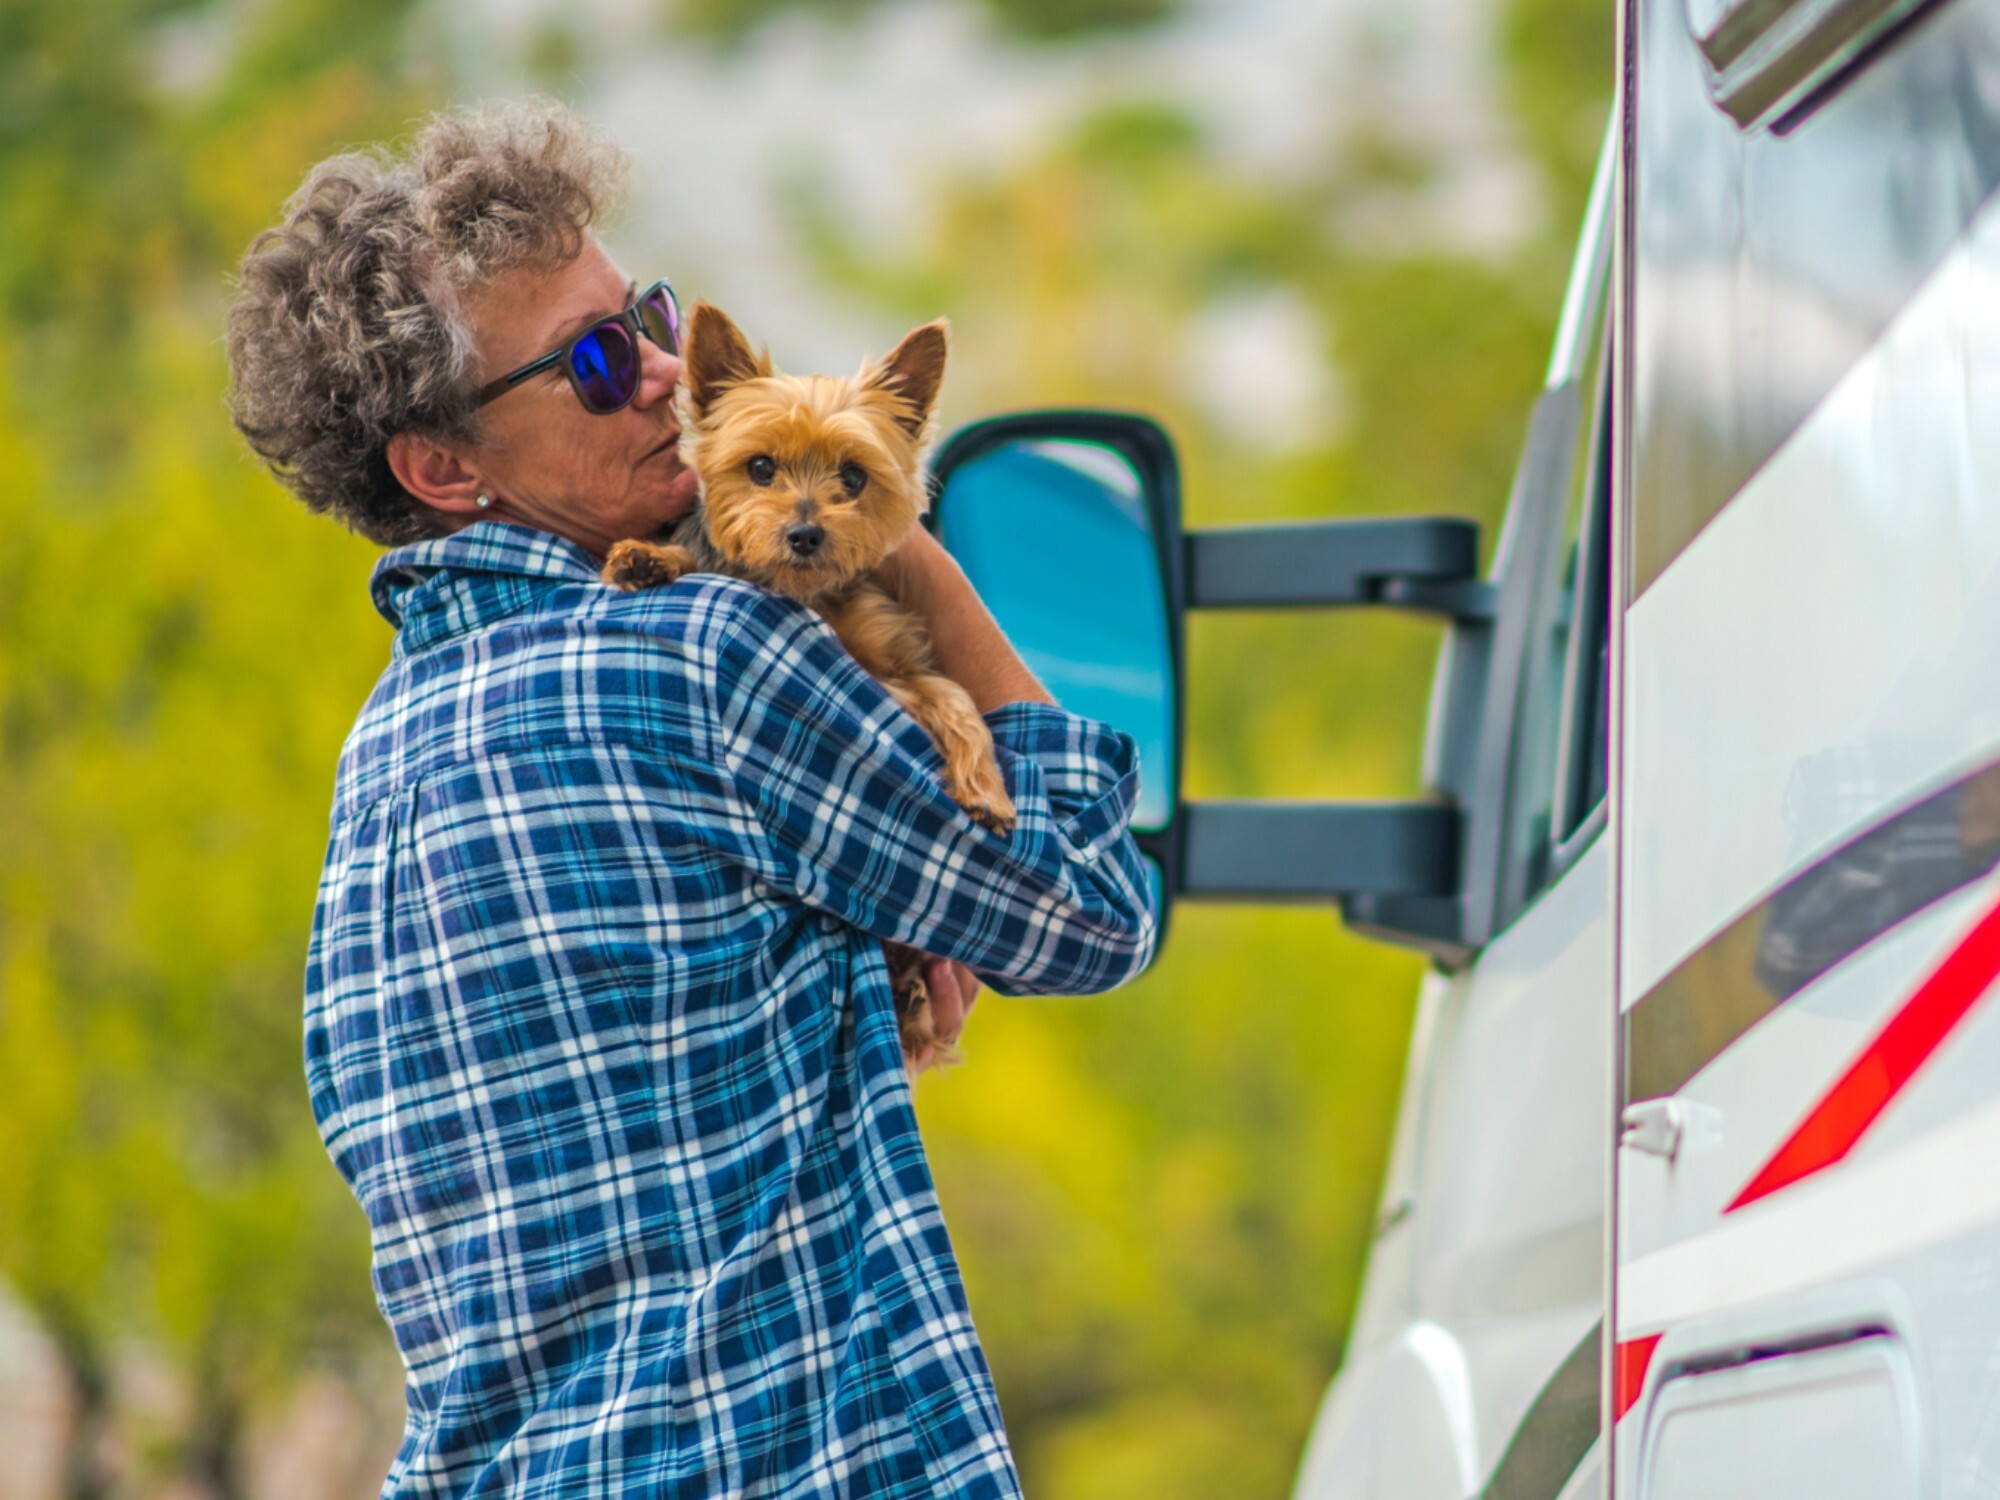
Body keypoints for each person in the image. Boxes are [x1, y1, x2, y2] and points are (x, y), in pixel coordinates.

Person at [225, 101, 1156, 1497]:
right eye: (597, 361)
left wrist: (845, 970)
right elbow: (1092, 915)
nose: (667, 373)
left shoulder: (375, 780)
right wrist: (913, 564)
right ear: (442, 468)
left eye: (647, 315)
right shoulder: (707, 658)